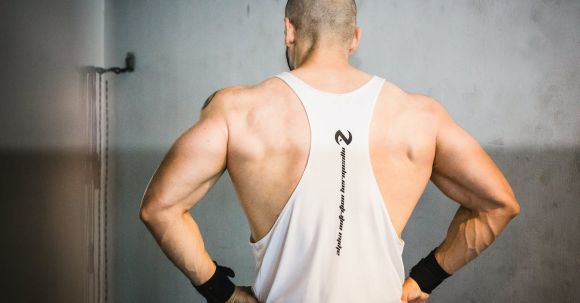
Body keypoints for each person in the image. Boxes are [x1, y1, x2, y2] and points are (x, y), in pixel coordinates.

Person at [139, 0, 521, 302]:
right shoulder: (420, 116)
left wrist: (222, 293)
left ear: (288, 30)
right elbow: (499, 204)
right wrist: (426, 277)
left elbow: (159, 208)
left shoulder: (238, 112)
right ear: (354, 38)